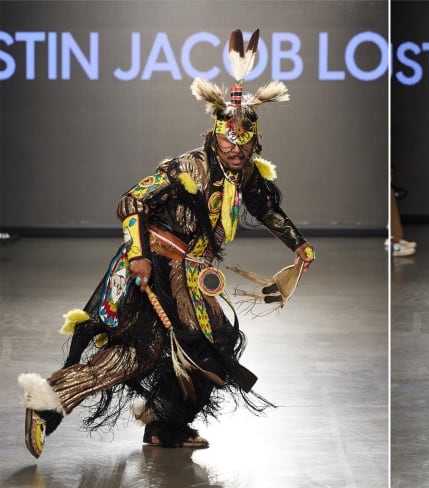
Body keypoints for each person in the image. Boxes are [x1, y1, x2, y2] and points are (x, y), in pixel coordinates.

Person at [18, 29, 314, 458]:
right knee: (140, 351)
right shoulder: (186, 167)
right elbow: (131, 202)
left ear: (255, 140)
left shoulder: (246, 174)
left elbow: (266, 208)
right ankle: (48, 402)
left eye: (244, 142)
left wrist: (298, 245)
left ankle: (165, 424)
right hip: (152, 264)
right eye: (229, 140)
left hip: (190, 275)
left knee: (214, 346)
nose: (236, 148)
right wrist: (138, 255)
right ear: (215, 134)